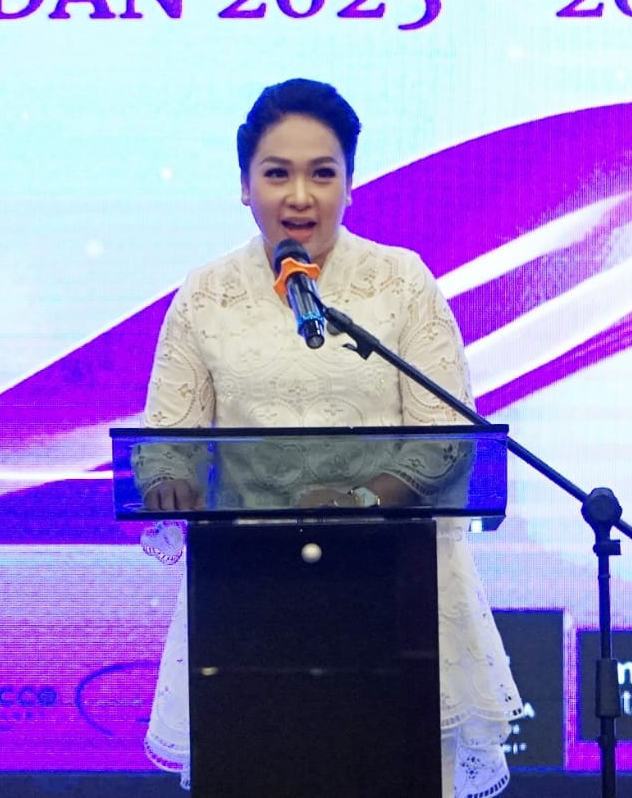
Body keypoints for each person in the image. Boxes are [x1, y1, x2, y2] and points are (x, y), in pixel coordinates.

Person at [136, 78, 523, 797]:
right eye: (276, 173)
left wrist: (363, 499)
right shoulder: (205, 294)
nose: (300, 197)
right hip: (250, 597)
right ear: (245, 185)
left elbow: (444, 434)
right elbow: (167, 436)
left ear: (350, 182)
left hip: (394, 588)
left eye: (322, 173)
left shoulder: (399, 282)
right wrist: (168, 479)